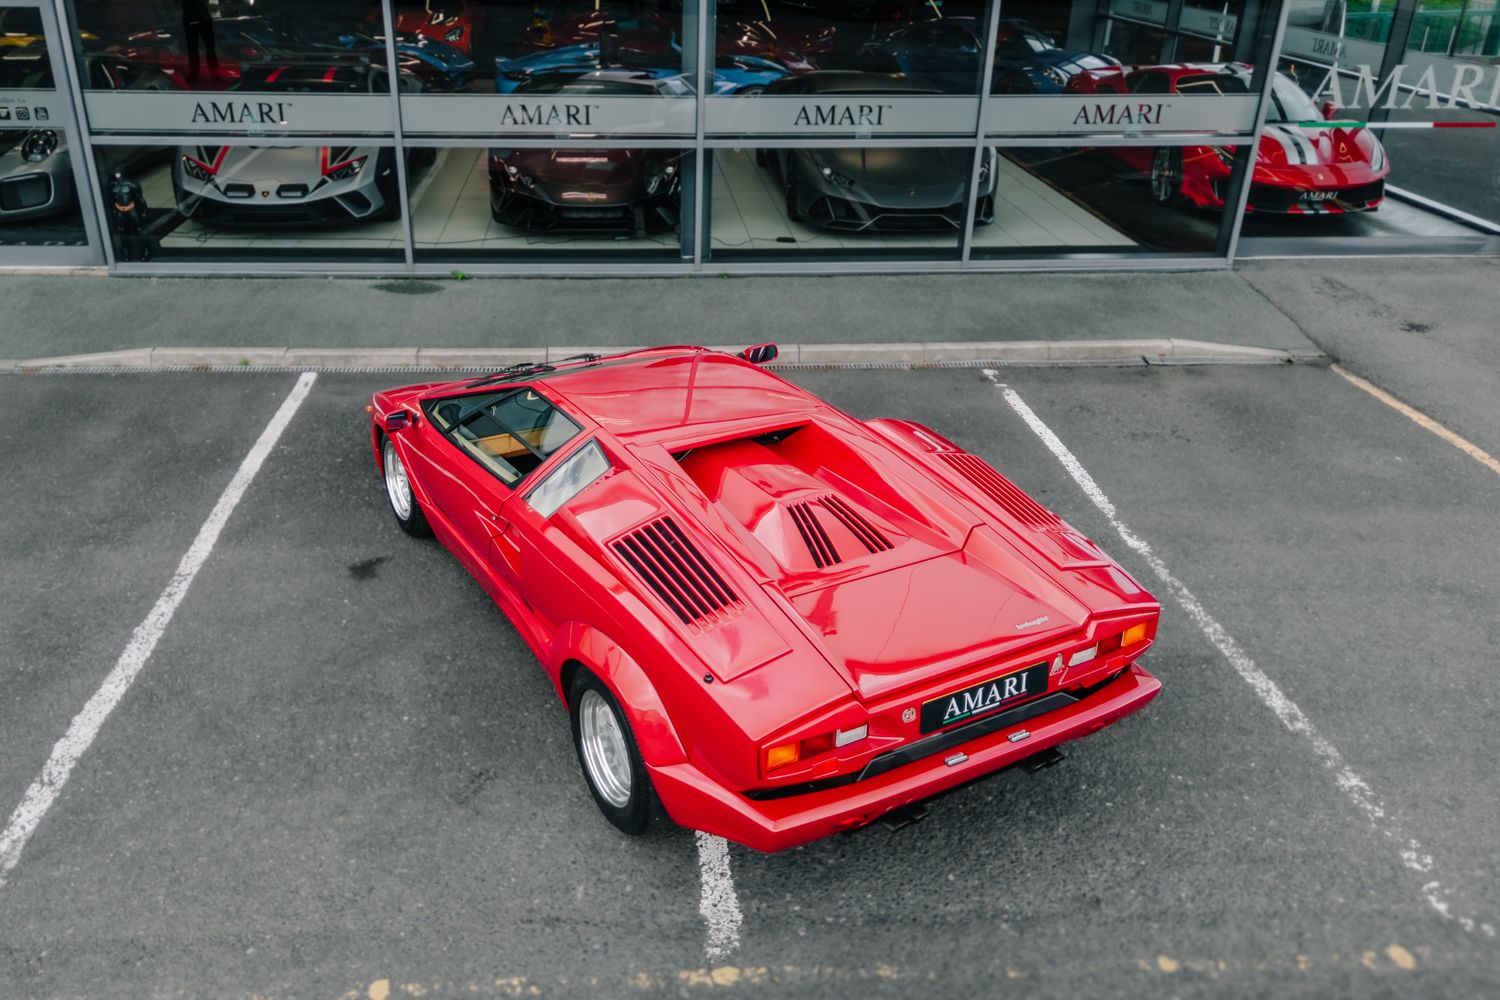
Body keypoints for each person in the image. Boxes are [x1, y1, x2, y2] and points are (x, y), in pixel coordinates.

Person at [109, 169, 154, 262]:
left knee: (140, 230)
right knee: (122, 231)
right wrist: (114, 210)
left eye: (119, 172)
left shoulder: (132, 184)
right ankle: (126, 253)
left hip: (131, 209)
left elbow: (140, 199)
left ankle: (145, 252)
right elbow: (111, 200)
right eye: (116, 173)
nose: (118, 175)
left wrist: (144, 211)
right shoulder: (112, 185)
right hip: (119, 210)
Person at [181, 0, 218, 83]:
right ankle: (213, 75)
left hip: (194, 19)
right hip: (200, 18)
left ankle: (196, 75)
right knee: (205, 48)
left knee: (195, 49)